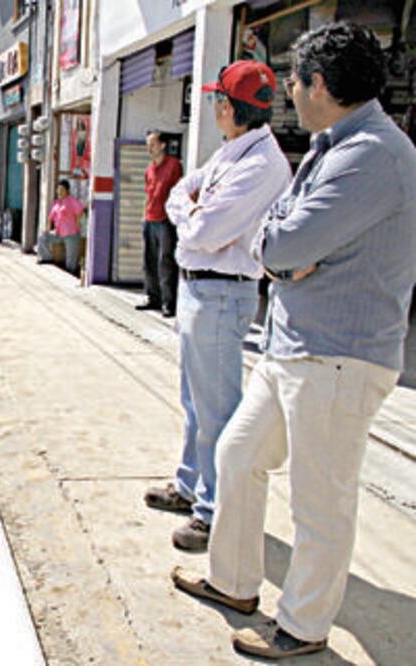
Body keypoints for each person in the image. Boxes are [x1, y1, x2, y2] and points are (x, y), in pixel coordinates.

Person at [172, 23, 416, 660]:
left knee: (321, 501)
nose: (291, 92)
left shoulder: (373, 156)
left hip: (338, 354)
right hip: (293, 346)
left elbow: (279, 243)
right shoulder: (331, 145)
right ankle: (233, 581)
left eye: (297, 81)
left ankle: (304, 626)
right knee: (236, 456)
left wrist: (279, 247)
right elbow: (277, 235)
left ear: (323, 86)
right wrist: (279, 246)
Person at [143, 60, 291, 552]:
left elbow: (204, 229)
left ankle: (213, 511)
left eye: (215, 100)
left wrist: (192, 212)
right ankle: (190, 485)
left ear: (227, 106)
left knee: (217, 411)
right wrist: (193, 208)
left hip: (224, 290)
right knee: (194, 401)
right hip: (200, 287)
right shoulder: (233, 152)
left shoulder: (261, 165)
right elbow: (179, 197)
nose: (212, 108)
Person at [137, 131, 183, 317]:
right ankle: (152, 297)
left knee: (166, 261)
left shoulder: (173, 165)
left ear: (163, 145)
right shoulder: (149, 169)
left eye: (153, 144)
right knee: (149, 261)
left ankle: (169, 302)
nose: (149, 148)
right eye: (148, 144)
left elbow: (178, 191)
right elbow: (148, 194)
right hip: (149, 218)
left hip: (166, 220)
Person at [36, 179, 85, 275]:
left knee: (71, 259)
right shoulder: (57, 203)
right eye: (58, 189)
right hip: (58, 233)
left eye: (62, 189)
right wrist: (47, 229)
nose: (59, 191)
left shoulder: (71, 200)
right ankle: (47, 258)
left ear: (67, 190)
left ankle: (70, 273)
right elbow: (51, 217)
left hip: (71, 233)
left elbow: (81, 210)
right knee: (42, 237)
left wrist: (77, 222)